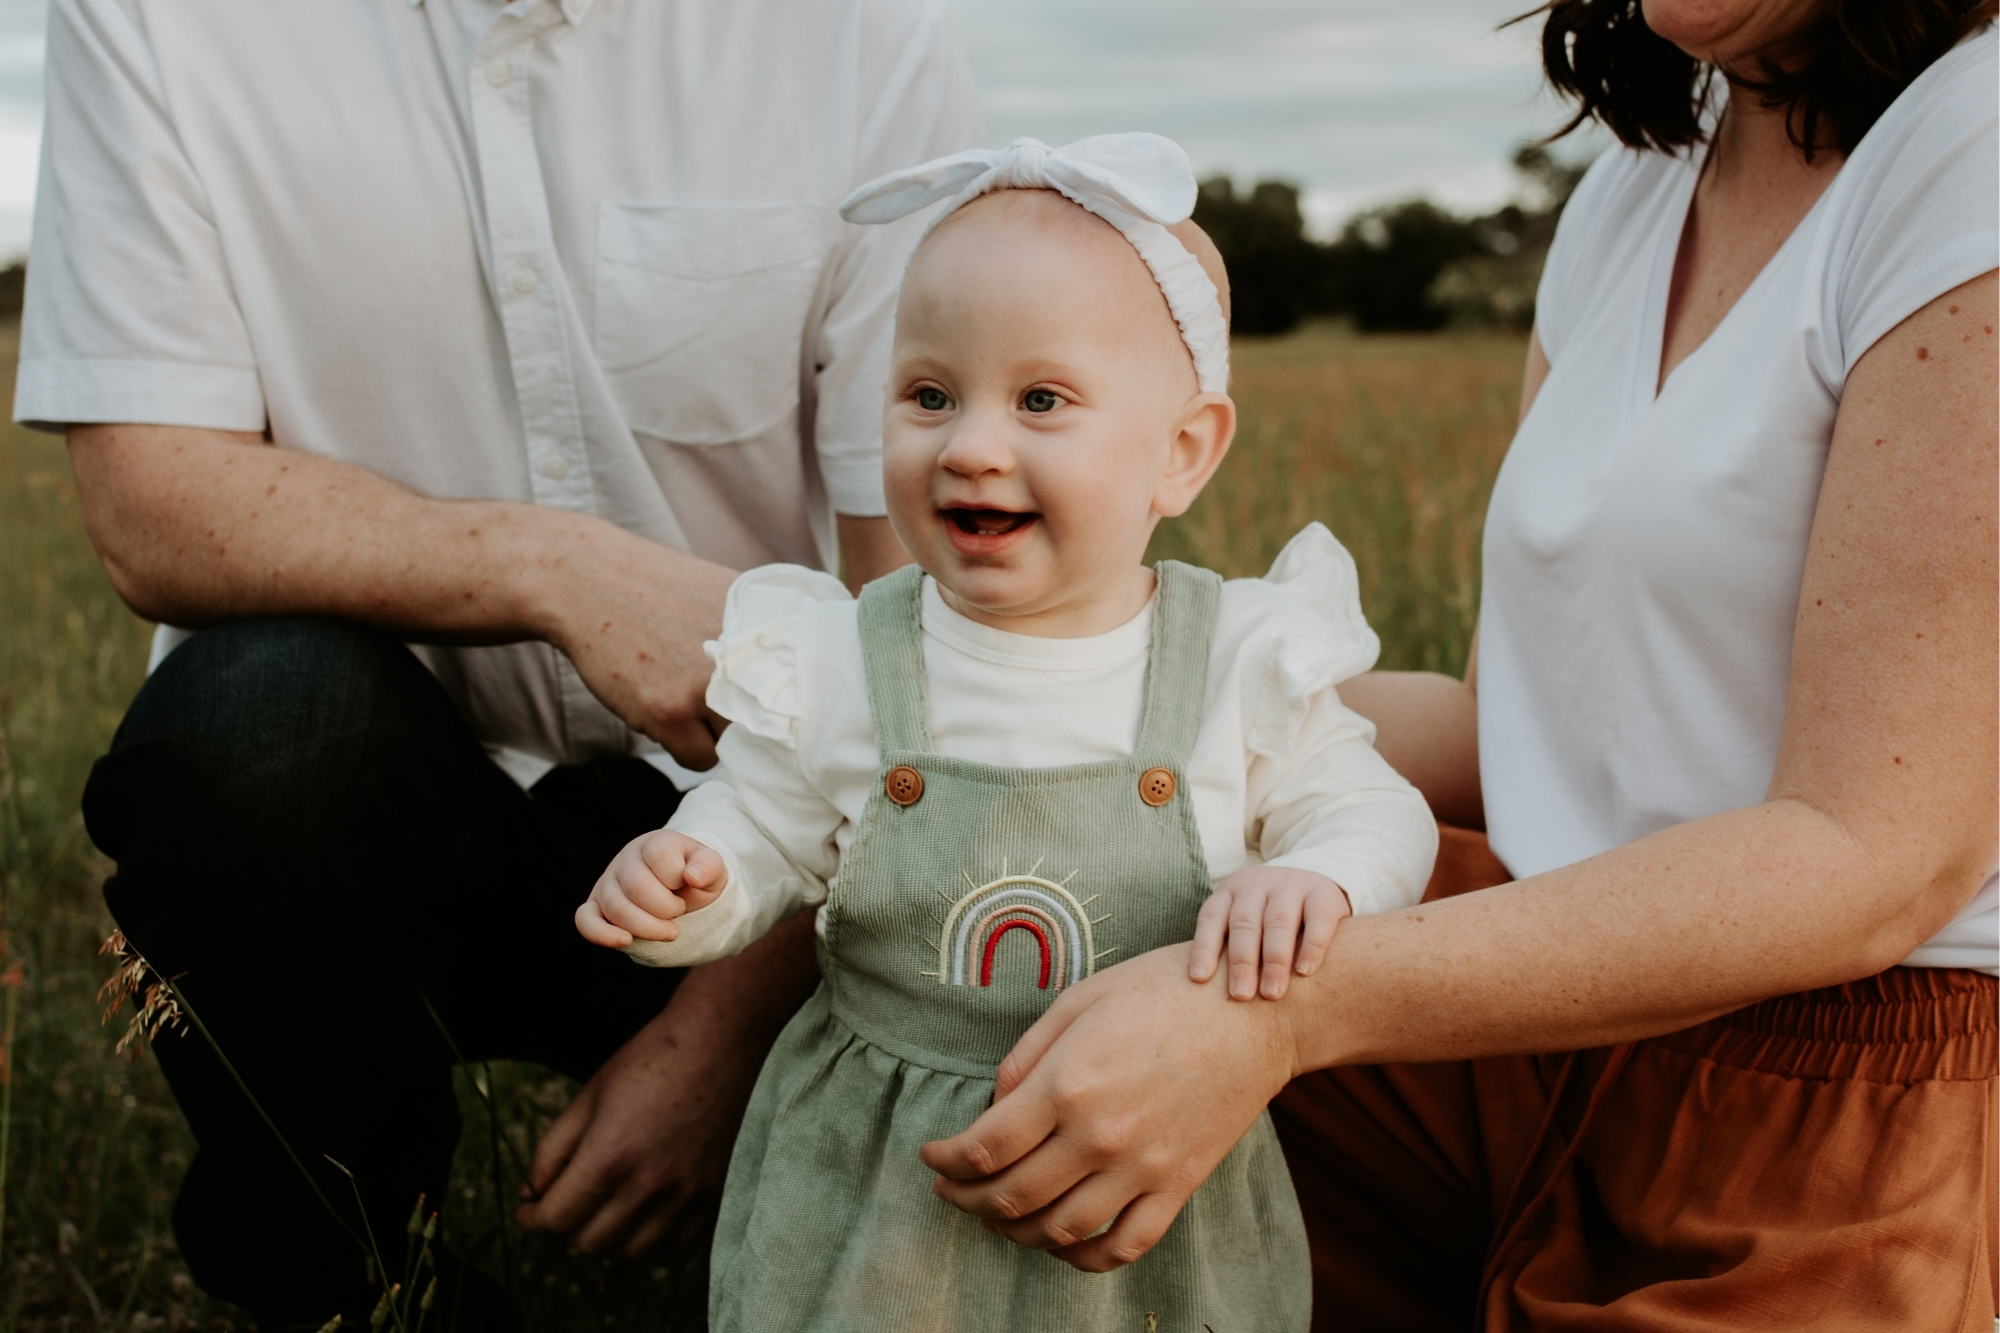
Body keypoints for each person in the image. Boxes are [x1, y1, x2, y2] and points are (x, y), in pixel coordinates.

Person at [909, 3, 2000, 1330]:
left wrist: (1287, 1013)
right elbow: (1509, 725)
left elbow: (1873, 857)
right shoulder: (1644, 179)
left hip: (1843, 1090)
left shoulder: (1973, 141)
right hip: (1538, 1004)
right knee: (1025, 919)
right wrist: (1084, 686)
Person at [19, 0, 981, 1321]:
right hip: (371, 808)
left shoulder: (857, 30)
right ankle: (352, 1281)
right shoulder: (155, 18)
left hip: (766, 840)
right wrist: (557, 571)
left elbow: (926, 615)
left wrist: (722, 1033)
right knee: (253, 723)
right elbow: (149, 500)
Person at [573, 135, 1440, 1330]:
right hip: (879, 1181)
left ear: (1180, 452)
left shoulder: (1237, 659)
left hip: (1147, 1170)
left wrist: (1320, 877)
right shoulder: (844, 656)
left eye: (1041, 400)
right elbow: (768, 817)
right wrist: (701, 878)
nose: (972, 443)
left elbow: (1369, 808)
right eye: (929, 395)